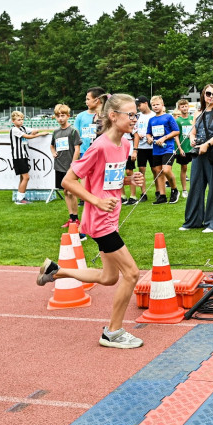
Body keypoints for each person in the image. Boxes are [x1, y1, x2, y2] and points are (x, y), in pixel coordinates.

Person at [37, 93, 147, 349]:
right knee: (131, 274)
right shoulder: (99, 146)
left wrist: (131, 181)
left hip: (111, 216)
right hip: (101, 220)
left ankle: (56, 271)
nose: (135, 119)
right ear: (113, 116)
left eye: (136, 115)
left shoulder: (126, 145)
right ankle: (113, 332)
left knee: (110, 277)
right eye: (131, 115)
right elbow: (68, 181)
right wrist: (96, 201)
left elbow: (110, 181)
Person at [180, 84, 213, 233]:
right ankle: (193, 221)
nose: (211, 96)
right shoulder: (198, 112)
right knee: (195, 186)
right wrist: (193, 139)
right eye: (208, 93)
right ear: (203, 95)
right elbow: (193, 131)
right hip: (198, 153)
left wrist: (207, 144)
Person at [50, 103, 82, 226]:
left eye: (63, 115)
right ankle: (71, 218)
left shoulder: (73, 131)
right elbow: (52, 145)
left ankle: (76, 218)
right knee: (65, 192)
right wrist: (53, 152)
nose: (60, 118)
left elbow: (77, 149)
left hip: (70, 167)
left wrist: (73, 164)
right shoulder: (56, 132)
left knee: (71, 192)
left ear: (68, 116)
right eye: (58, 116)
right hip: (59, 166)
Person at [146, 95, 181, 204]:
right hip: (156, 149)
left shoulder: (168, 117)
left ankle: (174, 190)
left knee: (166, 170)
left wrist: (164, 138)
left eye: (157, 104)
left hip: (168, 148)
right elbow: (148, 133)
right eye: (153, 105)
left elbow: (176, 131)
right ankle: (162, 195)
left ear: (162, 105)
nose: (155, 107)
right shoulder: (151, 120)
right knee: (158, 171)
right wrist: (149, 139)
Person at [9, 111, 48, 204]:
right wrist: (40, 134)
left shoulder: (22, 128)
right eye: (19, 120)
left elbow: (32, 130)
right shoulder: (14, 129)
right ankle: (20, 199)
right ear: (13, 121)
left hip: (24, 155)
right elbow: (27, 136)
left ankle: (20, 197)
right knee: (26, 177)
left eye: (22, 119)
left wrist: (35, 131)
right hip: (18, 156)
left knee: (23, 178)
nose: (21, 121)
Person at [132, 96, 155, 204]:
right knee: (142, 170)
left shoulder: (154, 115)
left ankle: (159, 191)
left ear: (146, 103)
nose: (139, 108)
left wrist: (152, 137)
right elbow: (133, 129)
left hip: (153, 147)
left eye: (139, 105)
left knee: (156, 170)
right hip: (141, 147)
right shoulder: (138, 117)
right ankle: (143, 193)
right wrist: (137, 135)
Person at [174, 98, 194, 198]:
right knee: (184, 168)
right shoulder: (177, 121)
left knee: (195, 168)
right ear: (179, 108)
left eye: (186, 106)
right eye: (182, 106)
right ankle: (184, 190)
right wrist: (179, 148)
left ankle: (194, 189)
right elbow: (176, 135)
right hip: (183, 148)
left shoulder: (192, 119)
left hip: (193, 147)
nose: (184, 108)